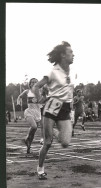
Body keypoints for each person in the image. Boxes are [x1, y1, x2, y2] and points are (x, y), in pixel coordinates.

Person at [33, 41, 74, 180]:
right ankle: (40, 169)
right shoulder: (53, 72)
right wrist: (40, 99)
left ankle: (53, 131)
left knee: (65, 143)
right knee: (48, 142)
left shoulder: (71, 71)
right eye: (70, 53)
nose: (73, 55)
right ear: (63, 55)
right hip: (51, 107)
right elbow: (36, 86)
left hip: (65, 109)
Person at [17, 78, 44, 154]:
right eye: (32, 82)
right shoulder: (27, 91)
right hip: (29, 112)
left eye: (36, 82)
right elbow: (19, 97)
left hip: (38, 113)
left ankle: (28, 146)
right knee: (34, 126)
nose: (34, 83)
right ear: (30, 84)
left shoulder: (40, 92)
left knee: (33, 133)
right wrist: (18, 103)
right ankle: (27, 137)